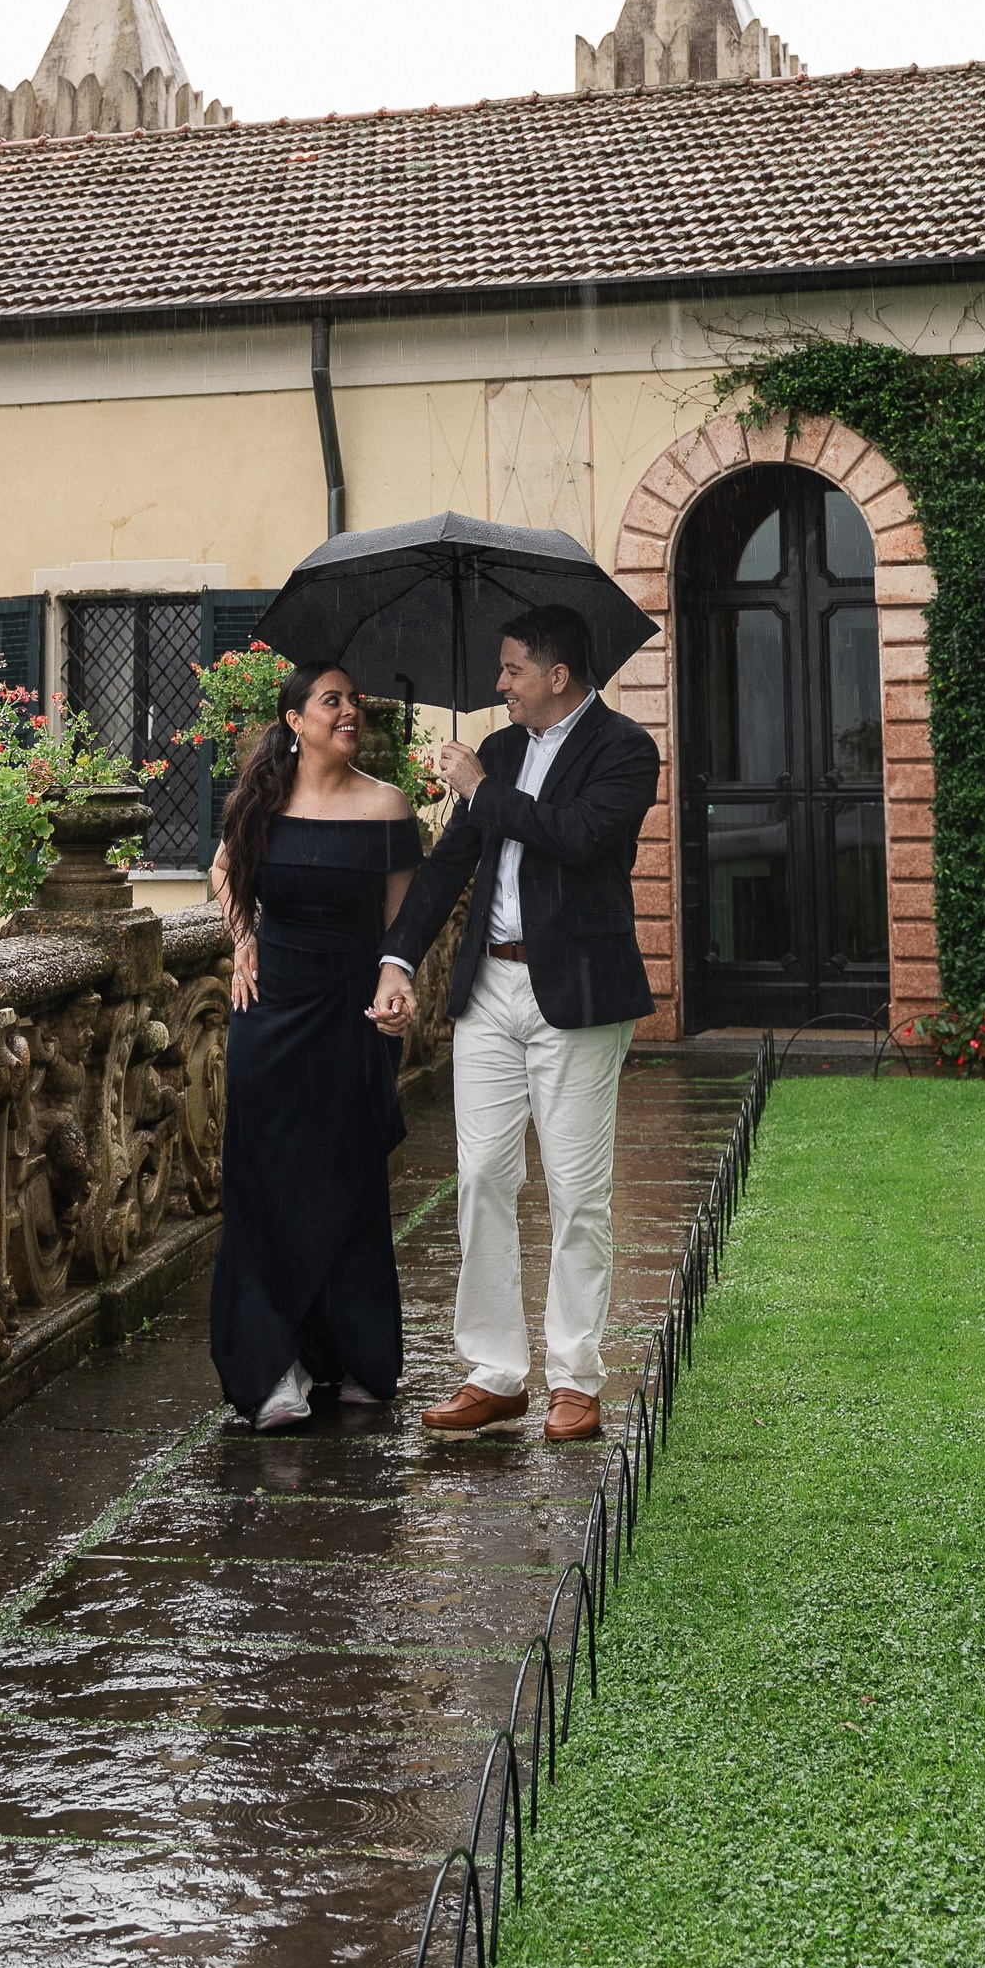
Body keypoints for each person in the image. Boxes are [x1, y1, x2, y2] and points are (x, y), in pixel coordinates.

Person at [370, 607, 660, 1444]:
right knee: (484, 1177)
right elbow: (449, 868)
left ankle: (576, 1377)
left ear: (556, 675)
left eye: (511, 671)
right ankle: (495, 1373)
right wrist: (397, 958)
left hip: (575, 991)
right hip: (488, 988)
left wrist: (482, 792)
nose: (499, 685)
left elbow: (577, 839)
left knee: (577, 1192)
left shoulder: (623, 750)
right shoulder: (497, 754)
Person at [207, 661, 421, 1432]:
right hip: (271, 1013)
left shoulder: (387, 804)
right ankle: (274, 1368)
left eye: (354, 698)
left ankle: (357, 1354)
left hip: (354, 1017)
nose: (349, 710)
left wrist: (402, 991)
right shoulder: (260, 801)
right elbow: (225, 870)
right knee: (267, 1185)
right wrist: (242, 943)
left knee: (350, 1180)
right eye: (333, 700)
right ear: (295, 719)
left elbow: (402, 929)